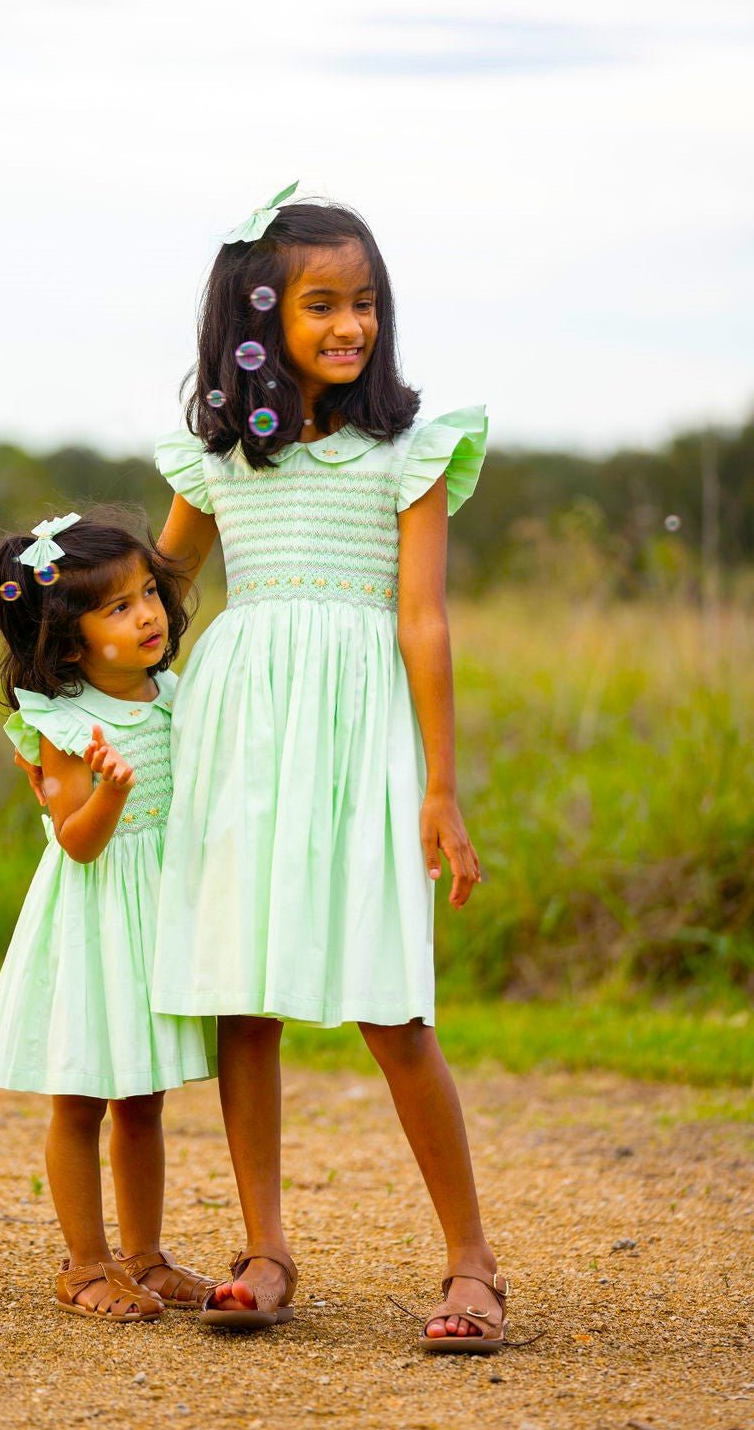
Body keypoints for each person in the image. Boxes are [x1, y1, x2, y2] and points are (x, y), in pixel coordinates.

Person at [149, 187, 509, 1347]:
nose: (349, 325)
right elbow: (157, 601)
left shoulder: (408, 449)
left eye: (363, 303)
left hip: (364, 732)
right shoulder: (215, 458)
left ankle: (470, 1265)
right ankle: (263, 1251)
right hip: (240, 729)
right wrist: (78, 683)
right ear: (257, 317)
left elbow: (424, 620)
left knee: (392, 1006)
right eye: (321, 305)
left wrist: (442, 786)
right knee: (242, 1006)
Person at [0, 509, 217, 1322]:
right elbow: (77, 844)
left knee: (143, 1095)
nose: (149, 614)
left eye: (149, 593)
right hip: (94, 916)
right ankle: (85, 1263)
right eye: (118, 606)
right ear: (68, 642)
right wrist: (109, 790)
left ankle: (145, 1257)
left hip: (156, 913)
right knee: (81, 1097)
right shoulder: (61, 723)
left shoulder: (174, 696)